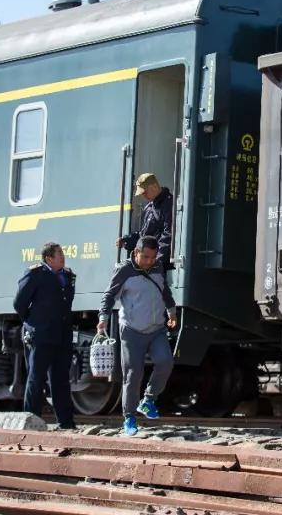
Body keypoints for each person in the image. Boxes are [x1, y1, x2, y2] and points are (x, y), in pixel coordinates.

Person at [98, 235, 176, 436]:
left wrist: (172, 311)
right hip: (132, 330)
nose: (150, 261)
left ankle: (148, 400)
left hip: (157, 328)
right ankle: (129, 417)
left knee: (165, 361)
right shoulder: (124, 271)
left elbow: (164, 290)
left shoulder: (157, 267)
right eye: (146, 257)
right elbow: (109, 295)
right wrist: (103, 317)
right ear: (136, 253)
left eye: (153, 257)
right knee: (133, 375)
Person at [14, 242, 77, 429]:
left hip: (61, 335)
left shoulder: (67, 275)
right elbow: (19, 303)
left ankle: (65, 422)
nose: (63, 257)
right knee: (36, 377)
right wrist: (33, 322)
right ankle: (32, 420)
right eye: (60, 254)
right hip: (40, 334)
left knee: (61, 379)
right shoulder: (35, 274)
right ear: (49, 258)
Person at [117, 173, 174, 269]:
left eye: (145, 192)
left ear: (154, 187)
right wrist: (128, 240)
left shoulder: (169, 204)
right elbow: (144, 234)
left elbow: (168, 235)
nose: (143, 195)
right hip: (149, 261)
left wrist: (156, 262)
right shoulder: (149, 207)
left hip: (157, 263)